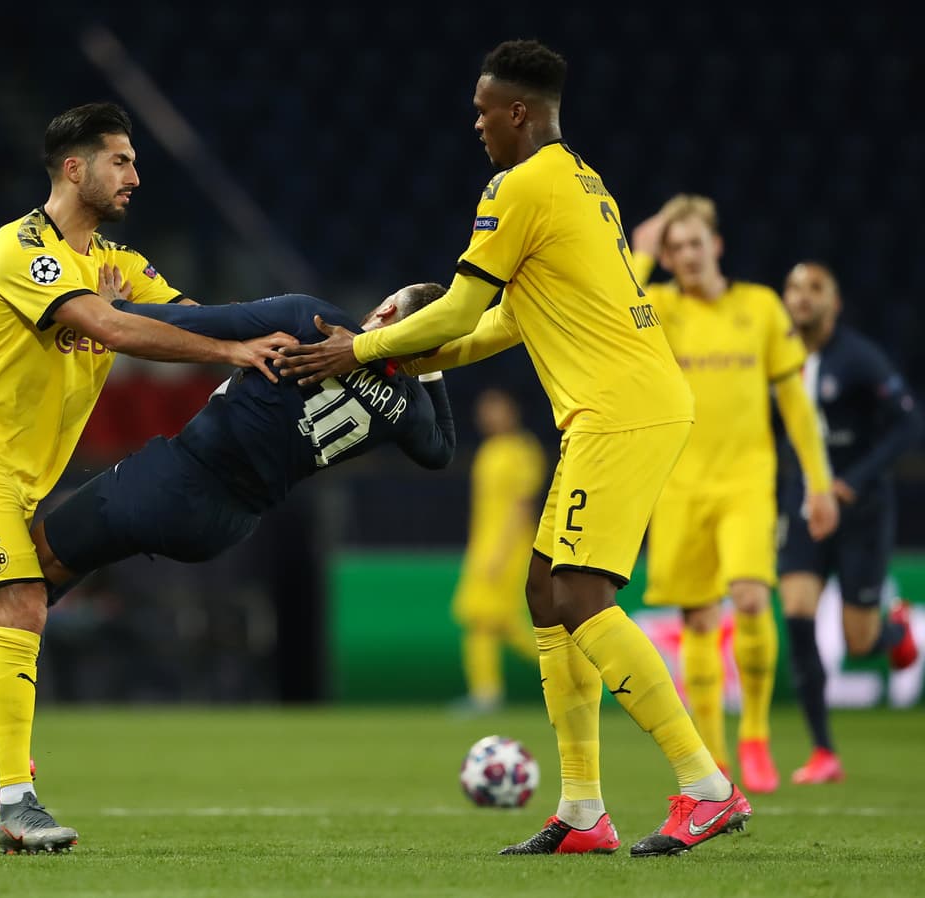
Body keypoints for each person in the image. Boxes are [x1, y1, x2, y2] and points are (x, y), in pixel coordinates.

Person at [277, 39, 746, 857]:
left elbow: (459, 307)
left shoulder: (517, 185)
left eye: (483, 110)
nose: (476, 124)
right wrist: (394, 352)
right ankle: (582, 810)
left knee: (581, 595)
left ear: (518, 112)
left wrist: (353, 353)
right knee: (544, 591)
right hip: (620, 407)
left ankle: (704, 786)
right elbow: (496, 324)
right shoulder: (580, 183)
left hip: (621, 410)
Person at [0, 102, 291, 855]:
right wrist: (232, 356)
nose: (136, 176)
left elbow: (201, 316)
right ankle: (20, 804)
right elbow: (110, 327)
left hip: (19, 475)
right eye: (121, 160)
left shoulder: (120, 264)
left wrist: (310, 336)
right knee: (22, 601)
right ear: (75, 168)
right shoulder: (22, 250)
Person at [0, 283, 456, 819]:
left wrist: (110, 312)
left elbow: (207, 324)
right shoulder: (406, 408)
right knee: (54, 579)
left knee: (29, 568)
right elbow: (442, 452)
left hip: (179, 480)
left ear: (383, 310)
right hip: (228, 526)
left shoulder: (311, 320)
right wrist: (429, 364)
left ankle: (0, 750)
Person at [628, 196, 838, 795]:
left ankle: (754, 736)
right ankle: (715, 758)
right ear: (666, 257)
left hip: (747, 479)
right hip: (677, 482)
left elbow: (796, 405)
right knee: (697, 616)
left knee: (748, 598)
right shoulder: (659, 309)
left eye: (696, 244)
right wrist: (641, 254)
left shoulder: (761, 307)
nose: (687, 257)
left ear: (716, 246)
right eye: (675, 249)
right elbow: (614, 311)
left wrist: (818, 484)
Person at [777, 261, 921, 784]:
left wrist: (852, 480)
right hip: (802, 501)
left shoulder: (859, 359)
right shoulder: (778, 358)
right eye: (794, 287)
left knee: (858, 640)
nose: (802, 297)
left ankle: (893, 631)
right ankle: (823, 752)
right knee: (796, 612)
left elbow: (908, 423)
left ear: (834, 303)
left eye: (815, 288)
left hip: (860, 509)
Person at [450, 389, 544, 713]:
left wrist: (502, 554)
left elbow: (522, 506)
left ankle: (572, 673)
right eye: (485, 410)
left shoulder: (522, 450)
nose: (490, 416)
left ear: (512, 412)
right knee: (487, 621)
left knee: (494, 621)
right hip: (483, 546)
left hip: (510, 548)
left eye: (497, 409)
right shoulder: (489, 450)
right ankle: (486, 692)